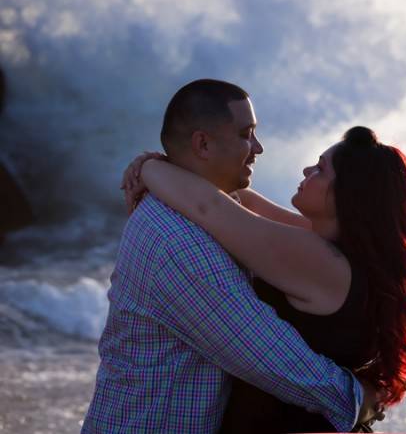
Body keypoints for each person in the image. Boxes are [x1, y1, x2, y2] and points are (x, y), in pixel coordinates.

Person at [83, 79, 379, 433]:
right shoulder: (180, 241)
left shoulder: (205, 212)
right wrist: (355, 399)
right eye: (246, 133)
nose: (258, 148)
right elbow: (264, 353)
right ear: (203, 144)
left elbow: (246, 213)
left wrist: (153, 166)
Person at [121, 120, 406, 432]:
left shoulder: (316, 259)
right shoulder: (337, 250)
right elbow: (245, 200)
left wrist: (148, 169)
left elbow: (208, 207)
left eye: (321, 169)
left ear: (349, 194)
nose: (307, 170)